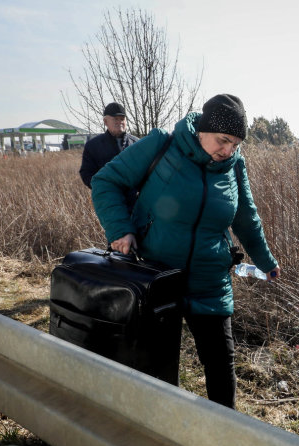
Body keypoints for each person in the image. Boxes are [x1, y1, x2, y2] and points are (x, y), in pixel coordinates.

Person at [90, 94, 281, 409]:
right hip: (156, 276)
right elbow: (105, 181)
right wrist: (120, 230)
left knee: (221, 365)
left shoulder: (235, 167)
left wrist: (265, 261)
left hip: (210, 280)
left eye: (236, 144)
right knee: (156, 365)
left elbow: (246, 218)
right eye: (223, 141)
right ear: (202, 130)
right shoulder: (163, 145)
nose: (228, 150)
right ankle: (160, 433)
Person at [80, 102, 139, 207]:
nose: (119, 122)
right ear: (105, 121)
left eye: (122, 119)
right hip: (109, 204)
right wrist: (104, 189)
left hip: (137, 204)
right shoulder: (93, 146)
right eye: (115, 119)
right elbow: (86, 174)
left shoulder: (137, 144)